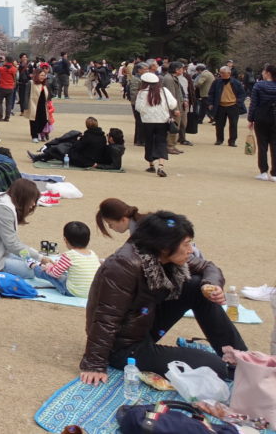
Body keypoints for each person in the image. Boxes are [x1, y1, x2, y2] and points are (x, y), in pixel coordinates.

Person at [79, 210, 246, 384]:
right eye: (186, 244)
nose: (191, 251)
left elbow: (208, 267)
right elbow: (106, 317)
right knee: (216, 367)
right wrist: (94, 364)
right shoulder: (123, 266)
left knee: (196, 285)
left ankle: (241, 357)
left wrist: (211, 285)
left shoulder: (162, 252)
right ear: (165, 247)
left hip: (144, 322)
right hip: (123, 346)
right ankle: (230, 366)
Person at [33, 221, 100, 297]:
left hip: (73, 292)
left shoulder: (69, 255)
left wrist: (48, 266)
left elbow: (55, 274)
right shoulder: (92, 254)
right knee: (64, 273)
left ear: (65, 240)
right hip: (92, 293)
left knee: (46, 271)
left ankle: (33, 266)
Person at [135, 71, 176, 178]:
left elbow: (138, 107)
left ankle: (151, 164)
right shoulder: (164, 91)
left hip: (147, 121)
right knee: (161, 142)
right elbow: (172, 104)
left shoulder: (142, 92)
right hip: (162, 120)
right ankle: (161, 166)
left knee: (149, 142)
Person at [248, 63, 276, 181]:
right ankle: (274, 174)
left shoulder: (259, 86)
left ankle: (263, 171)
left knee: (262, 145)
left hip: (261, 117)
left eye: (264, 72)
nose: (263, 73)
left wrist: (251, 119)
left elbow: (253, 104)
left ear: (268, 73)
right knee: (275, 145)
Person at [26, 70, 50, 142]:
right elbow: (26, 94)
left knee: (44, 120)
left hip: (43, 105)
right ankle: (34, 136)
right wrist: (25, 105)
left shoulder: (45, 84)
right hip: (33, 104)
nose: (43, 77)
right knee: (34, 120)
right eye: (41, 75)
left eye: (44, 75)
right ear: (37, 75)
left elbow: (48, 94)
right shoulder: (31, 83)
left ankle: (38, 132)